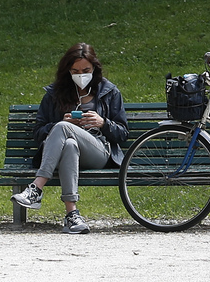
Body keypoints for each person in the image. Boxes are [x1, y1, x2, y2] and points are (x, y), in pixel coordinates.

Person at [12, 43, 129, 233]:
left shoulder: (109, 91)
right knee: (69, 143)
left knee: (63, 127)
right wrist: (60, 124)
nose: (81, 75)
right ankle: (71, 215)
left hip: (97, 151)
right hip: (61, 154)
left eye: (86, 70)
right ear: (67, 71)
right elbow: (38, 132)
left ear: (94, 69)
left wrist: (102, 123)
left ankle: (36, 188)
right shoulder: (54, 94)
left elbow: (123, 133)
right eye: (75, 71)